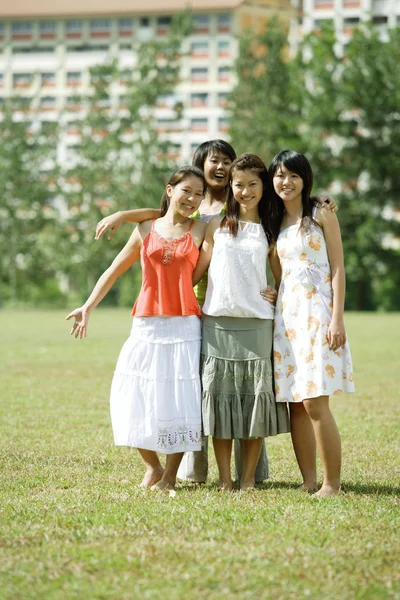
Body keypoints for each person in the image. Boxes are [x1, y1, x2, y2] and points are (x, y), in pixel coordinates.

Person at [94, 139, 271, 485]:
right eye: (213, 161)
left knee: (234, 394)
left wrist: (316, 201)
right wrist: (122, 214)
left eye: (227, 162)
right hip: (197, 308)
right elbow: (158, 217)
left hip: (222, 308)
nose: (220, 167)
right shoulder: (194, 209)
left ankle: (249, 474)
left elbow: (280, 210)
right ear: (200, 165)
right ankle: (193, 471)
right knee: (203, 395)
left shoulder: (241, 206)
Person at [66, 166, 208, 490]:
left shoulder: (201, 229)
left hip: (185, 326)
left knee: (181, 399)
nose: (193, 199)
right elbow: (113, 270)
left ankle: (170, 477)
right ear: (170, 190)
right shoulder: (145, 228)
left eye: (199, 194)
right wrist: (87, 306)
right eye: (186, 190)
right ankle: (153, 467)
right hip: (146, 324)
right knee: (132, 396)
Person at [192, 153, 291, 491]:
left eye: (252, 184)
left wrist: (280, 294)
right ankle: (223, 478)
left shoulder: (272, 227)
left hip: (258, 324)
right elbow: (197, 271)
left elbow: (283, 276)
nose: (245, 191)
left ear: (264, 187)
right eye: (239, 185)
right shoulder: (215, 224)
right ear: (230, 186)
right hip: (217, 324)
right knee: (218, 404)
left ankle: (247, 478)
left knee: (255, 404)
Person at [267, 150, 355, 497]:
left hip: (319, 315)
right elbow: (280, 271)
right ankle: (308, 481)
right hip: (287, 320)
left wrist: (337, 318)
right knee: (295, 403)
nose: (285, 182)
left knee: (315, 402)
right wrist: (276, 292)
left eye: (293, 176)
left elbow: (337, 268)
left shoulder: (321, 214)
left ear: (305, 180)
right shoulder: (273, 221)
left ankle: (331, 484)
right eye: (279, 175)